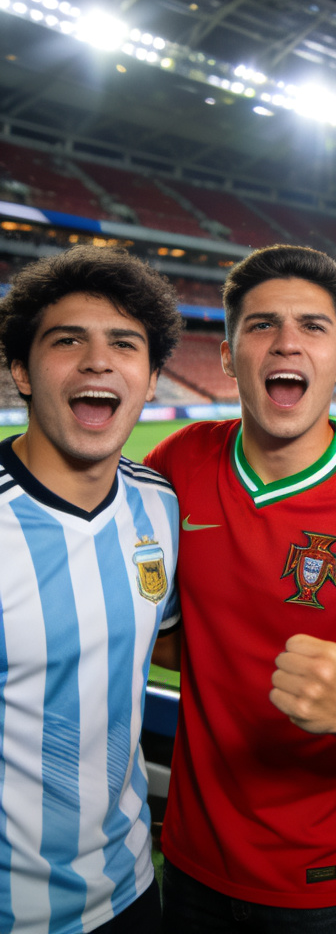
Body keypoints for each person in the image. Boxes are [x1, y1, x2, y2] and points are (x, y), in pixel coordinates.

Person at [145, 244, 336, 933]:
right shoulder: (179, 463)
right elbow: (161, 629)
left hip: (319, 883)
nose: (287, 343)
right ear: (226, 354)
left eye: (313, 326)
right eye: (261, 326)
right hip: (187, 856)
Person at [0, 246, 183, 932]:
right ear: (20, 369)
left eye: (124, 344)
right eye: (67, 339)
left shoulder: (159, 505)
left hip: (133, 888)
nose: (98, 361)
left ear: (153, 376)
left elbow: (162, 644)